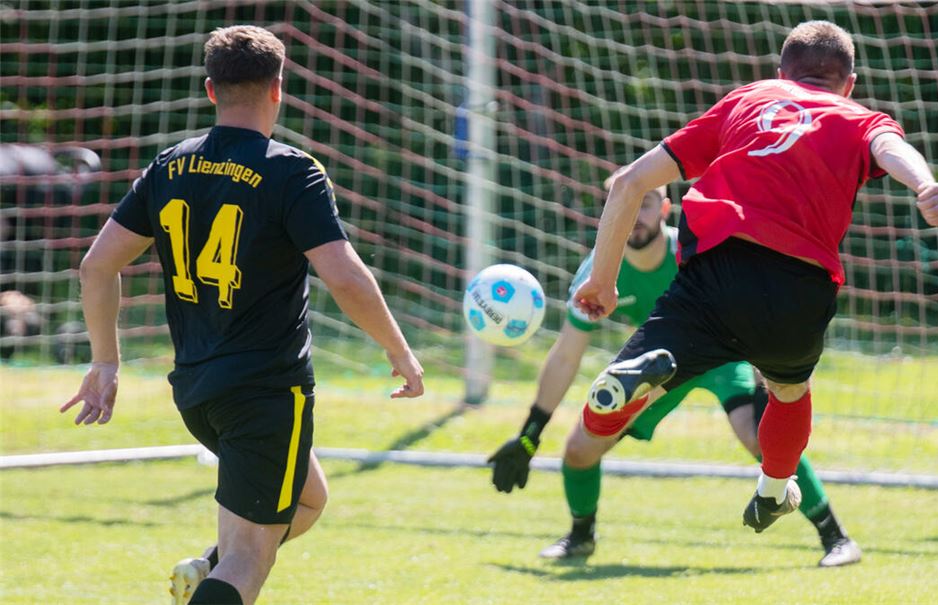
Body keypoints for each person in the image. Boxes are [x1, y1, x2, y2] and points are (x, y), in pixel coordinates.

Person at [59, 26, 425, 605]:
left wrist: (106, 361)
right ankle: (221, 575)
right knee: (249, 558)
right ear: (279, 89)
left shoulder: (169, 166)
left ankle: (206, 570)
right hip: (265, 392)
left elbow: (95, 267)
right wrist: (399, 350)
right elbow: (345, 275)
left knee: (307, 502)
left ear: (210, 90)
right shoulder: (291, 171)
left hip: (199, 391)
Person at [568, 21, 938, 536]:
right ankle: (774, 489)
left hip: (714, 272)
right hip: (798, 286)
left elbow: (630, 182)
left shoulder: (748, 100)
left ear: (781, 73)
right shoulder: (858, 116)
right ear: (850, 83)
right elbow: (889, 148)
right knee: (788, 391)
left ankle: (626, 379)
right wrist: (925, 183)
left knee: (598, 424)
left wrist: (603, 281)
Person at [488, 183, 861, 567]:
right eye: (625, 207)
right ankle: (580, 538)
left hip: (723, 357)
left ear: (666, 209)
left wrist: (765, 379)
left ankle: (836, 538)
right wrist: (530, 435)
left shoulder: (694, 249)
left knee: (761, 440)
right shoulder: (599, 270)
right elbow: (566, 354)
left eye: (644, 204)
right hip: (658, 368)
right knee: (580, 450)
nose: (634, 217)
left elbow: (752, 308)